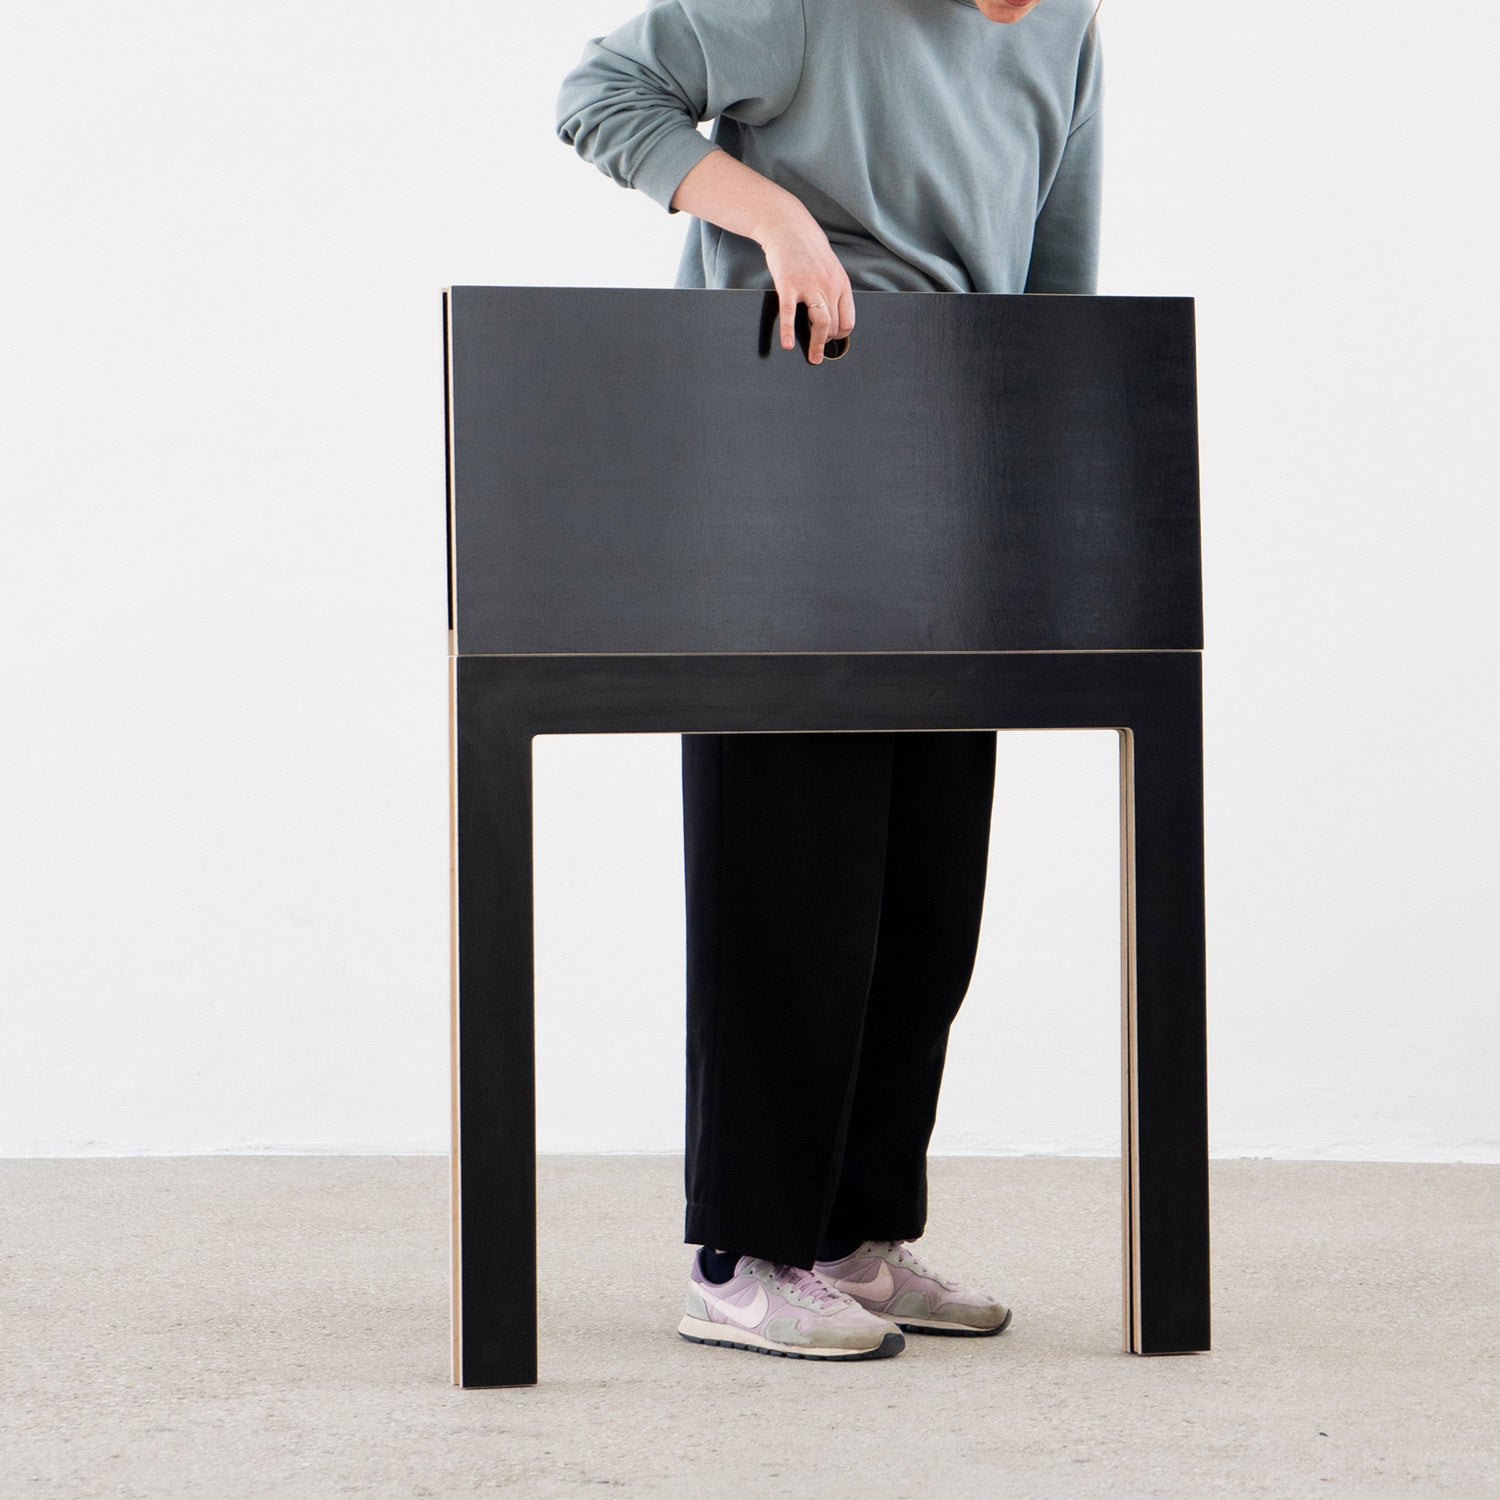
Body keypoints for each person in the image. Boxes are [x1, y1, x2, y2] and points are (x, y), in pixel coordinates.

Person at [556, 0, 1104, 1361]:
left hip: (952, 462)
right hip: (776, 447)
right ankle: (744, 1251)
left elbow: (1061, 266)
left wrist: (1045, 481)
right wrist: (777, 222)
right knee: (788, 873)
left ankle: (854, 1236)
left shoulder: (1071, 28)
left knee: (923, 895)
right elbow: (600, 90)